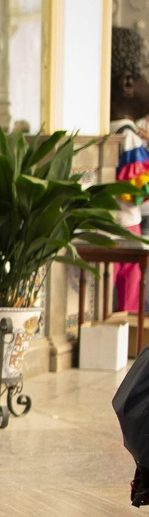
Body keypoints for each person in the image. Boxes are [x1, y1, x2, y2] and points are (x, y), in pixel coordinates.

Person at [110, 26, 149, 314]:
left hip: (109, 225)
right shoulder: (130, 138)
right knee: (130, 288)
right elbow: (136, 193)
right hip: (128, 225)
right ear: (128, 82)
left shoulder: (111, 134)